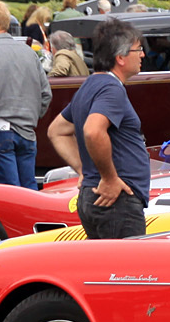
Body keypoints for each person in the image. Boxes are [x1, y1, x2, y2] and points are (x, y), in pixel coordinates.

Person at [45, 18, 149, 240]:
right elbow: (93, 131)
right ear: (120, 57)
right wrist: (109, 178)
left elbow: (57, 130)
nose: (142, 55)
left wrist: (84, 170)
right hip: (115, 202)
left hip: (99, 198)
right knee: (127, 273)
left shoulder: (91, 84)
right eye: (138, 49)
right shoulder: (112, 89)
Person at [0, 0, 52, 190]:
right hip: (27, 131)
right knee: (29, 189)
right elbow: (46, 94)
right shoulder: (29, 52)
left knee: (9, 193)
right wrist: (30, 116)